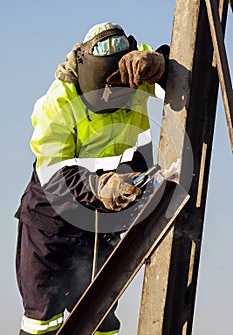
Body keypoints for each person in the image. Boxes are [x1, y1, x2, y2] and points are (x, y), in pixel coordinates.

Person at [15, 22, 169, 335]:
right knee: (42, 319)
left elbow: (179, 73)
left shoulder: (134, 74)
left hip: (100, 223)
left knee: (101, 316)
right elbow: (52, 174)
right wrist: (98, 186)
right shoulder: (57, 104)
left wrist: (160, 64)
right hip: (52, 226)